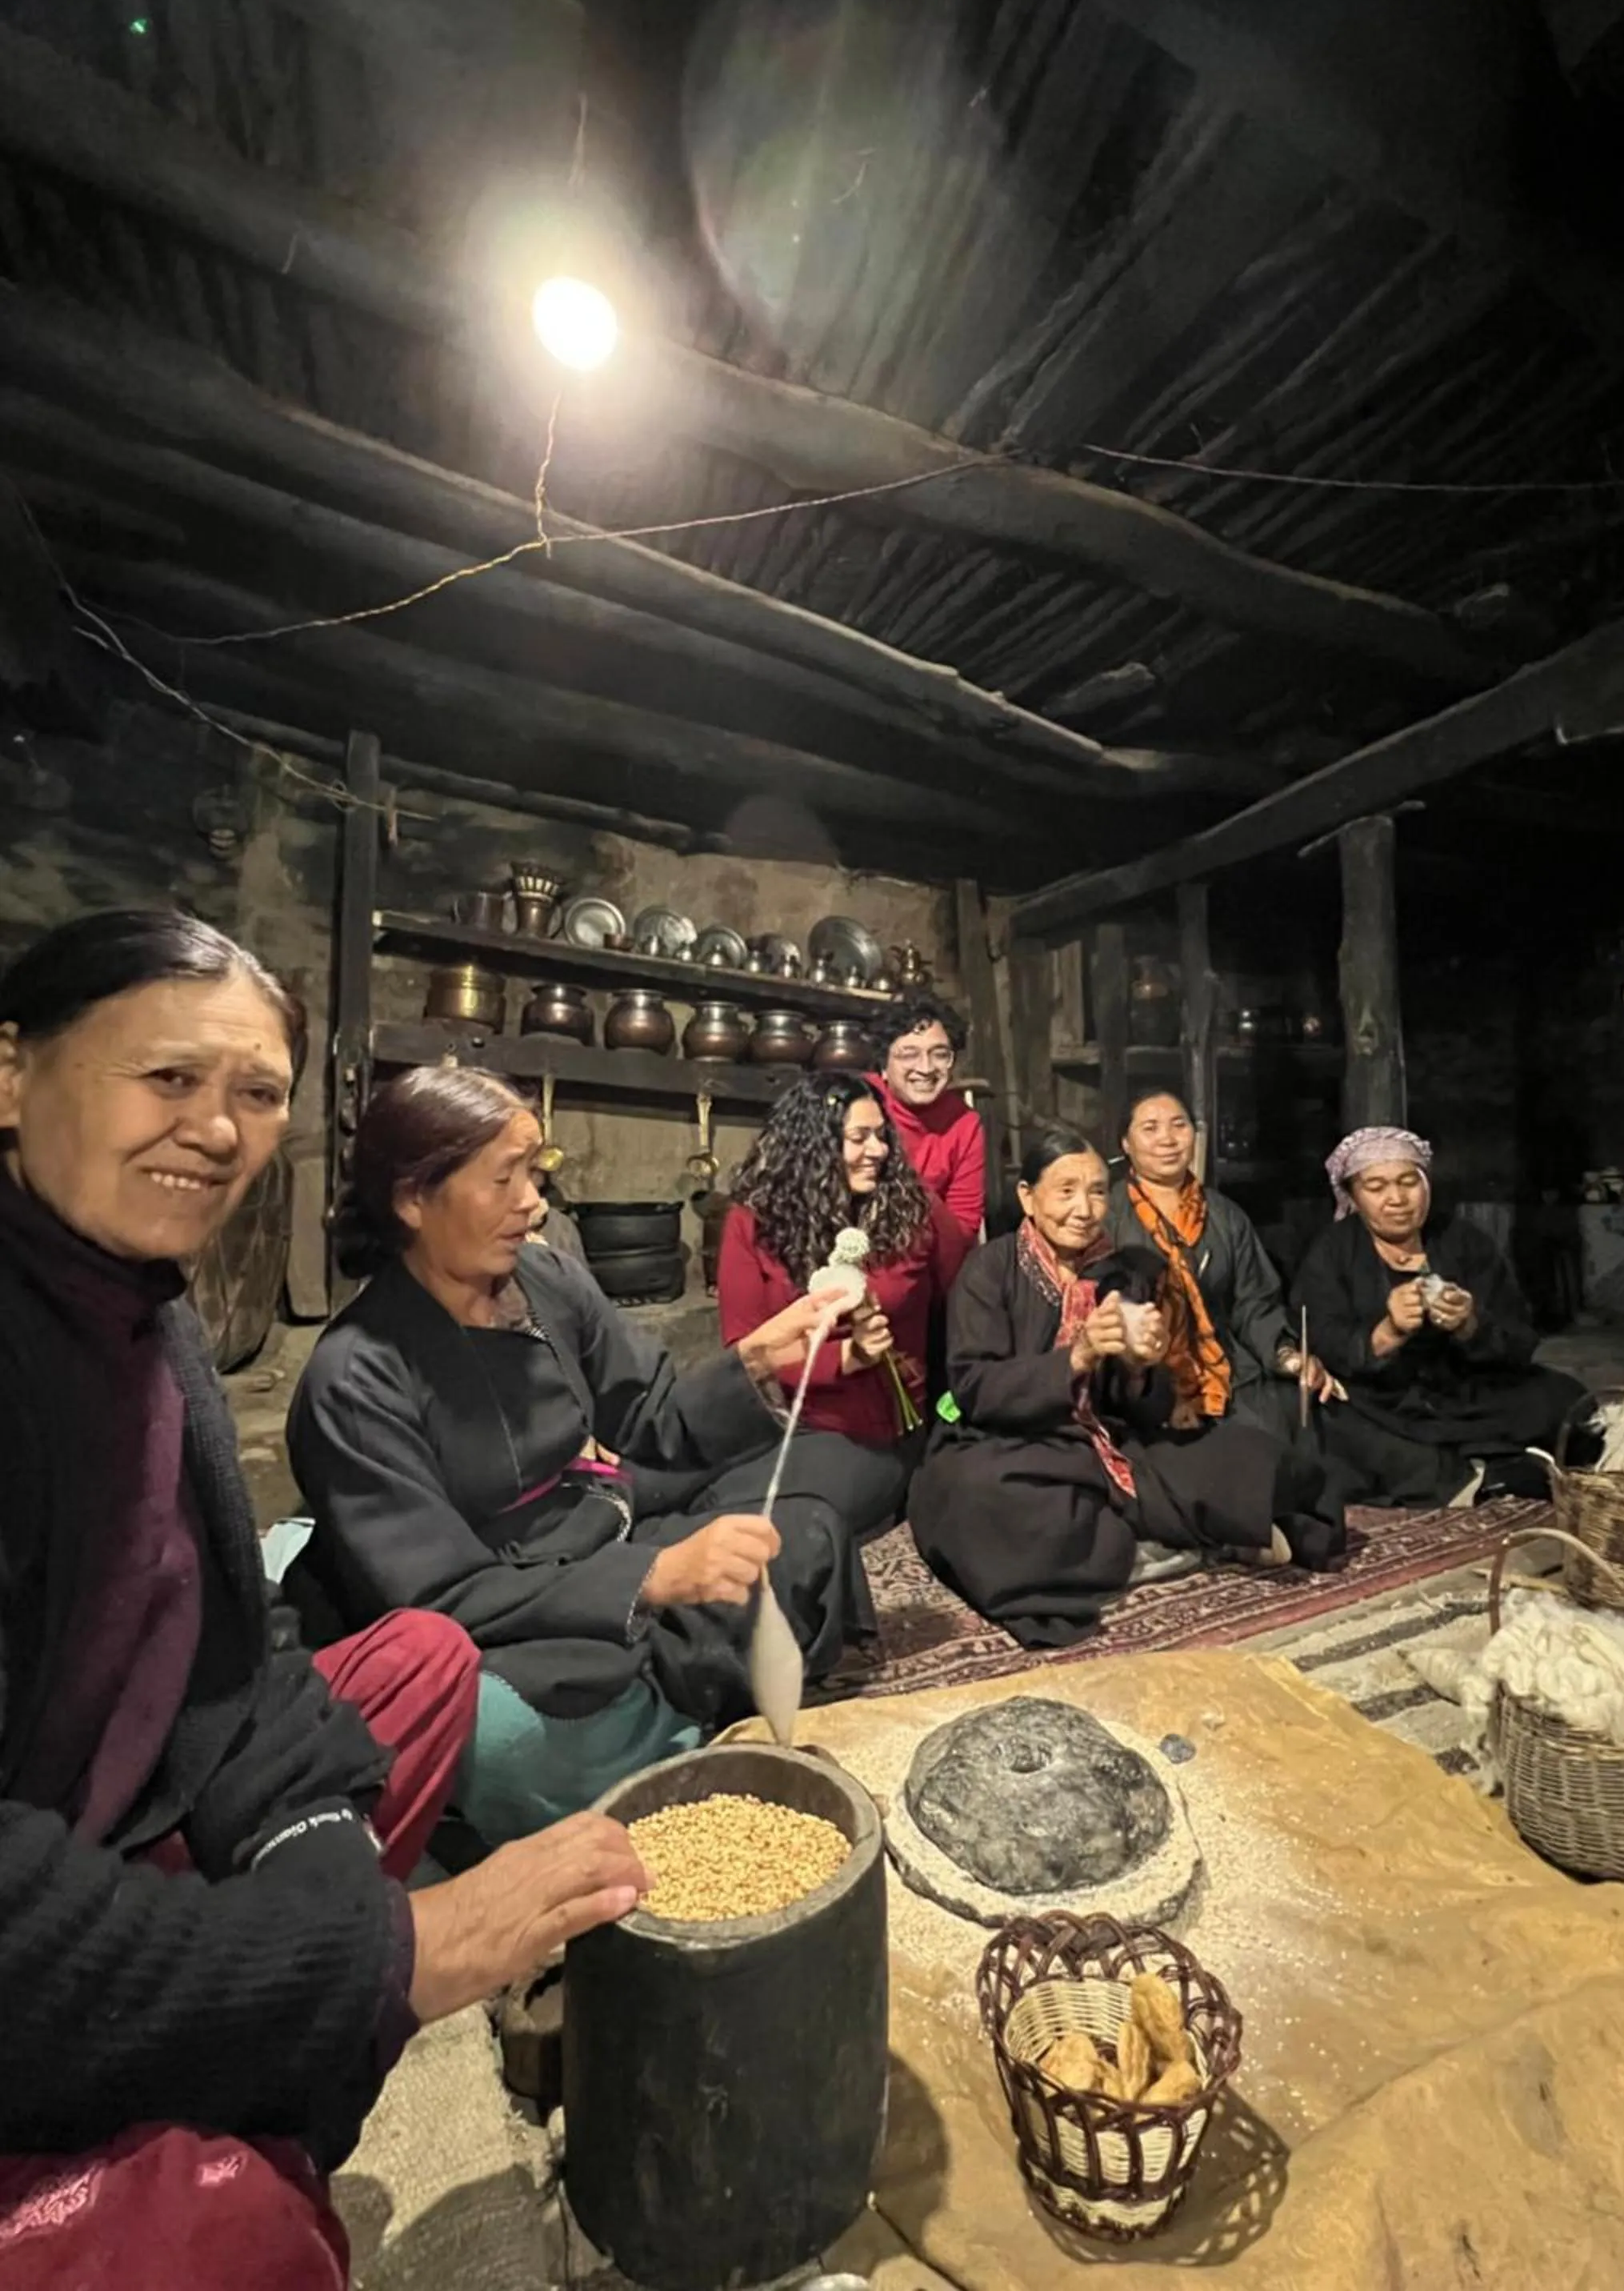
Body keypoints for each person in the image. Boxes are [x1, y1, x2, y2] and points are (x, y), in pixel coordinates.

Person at [0, 912, 649, 2291]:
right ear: (12, 1075)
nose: (219, 1132)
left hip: (146, 1809)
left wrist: (321, 1882)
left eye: (256, 1094)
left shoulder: (150, 1319)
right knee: (235, 2227)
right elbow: (452, 1571)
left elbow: (234, 1665)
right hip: (38, 1899)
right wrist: (386, 1950)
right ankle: (215, 2128)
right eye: (168, 1080)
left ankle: (262, 2062)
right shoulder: (355, 1367)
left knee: (415, 1667)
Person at [287, 1067, 859, 1848]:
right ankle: (661, 1703)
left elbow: (651, 1418)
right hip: (478, 1604)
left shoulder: (547, 1279)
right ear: (414, 1199)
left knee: (805, 1527)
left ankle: (659, 1691)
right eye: (504, 1179)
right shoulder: (355, 1376)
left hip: (587, 1529)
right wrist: (653, 1578)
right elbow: (442, 1595)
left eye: (534, 1173)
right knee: (499, 1731)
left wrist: (757, 1358)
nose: (535, 1203)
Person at [909, 1126, 1346, 1648]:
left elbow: (1143, 1410)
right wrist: (1077, 1357)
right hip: (1011, 1439)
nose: (1084, 1207)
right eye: (1065, 1190)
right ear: (1028, 1197)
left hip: (1108, 1438)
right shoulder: (991, 1269)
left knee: (1253, 1455)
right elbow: (975, 1388)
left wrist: (1141, 1368)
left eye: (1096, 1191)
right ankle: (1151, 1546)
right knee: (979, 1495)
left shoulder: (1121, 1270)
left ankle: (1132, 1541)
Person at [716, 1072, 972, 1542]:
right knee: (702, 1507)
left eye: (881, 1136)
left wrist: (950, 1402)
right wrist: (845, 1358)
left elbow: (965, 1299)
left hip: (874, 1431)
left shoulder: (916, 1211)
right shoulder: (752, 1222)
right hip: (780, 1420)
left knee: (773, 1531)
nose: (876, 1150)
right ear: (811, 1146)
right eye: (858, 1138)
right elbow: (743, 1352)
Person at [1293, 1127, 1584, 1507]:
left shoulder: (1464, 1240)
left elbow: (1520, 1340)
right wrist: (1386, 1333)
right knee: (1324, 1421)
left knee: (1566, 1401)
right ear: (1352, 1196)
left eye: (1408, 1182)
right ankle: (1479, 1471)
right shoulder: (1332, 1252)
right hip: (1382, 1402)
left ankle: (1477, 1465)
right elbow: (1319, 1339)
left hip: (1464, 1395)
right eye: (1376, 1187)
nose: (1396, 1199)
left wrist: (1470, 1325)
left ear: (1427, 1184)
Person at [1106, 1088, 1342, 1440]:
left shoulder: (1225, 1216)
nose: (1167, 1139)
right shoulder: (1108, 1216)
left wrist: (1288, 1356)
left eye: (1178, 1125)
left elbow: (1254, 1303)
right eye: (1150, 1128)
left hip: (1225, 1368)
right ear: (1126, 1143)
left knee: (1288, 1429)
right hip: (1141, 1377)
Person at [866, 993, 986, 1238]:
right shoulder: (860, 1103)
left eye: (940, 1054)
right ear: (883, 1066)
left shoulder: (965, 1125)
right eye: (909, 1054)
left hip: (925, 1251)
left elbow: (962, 1229)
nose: (926, 1068)